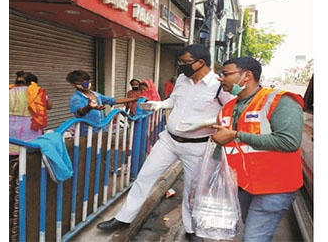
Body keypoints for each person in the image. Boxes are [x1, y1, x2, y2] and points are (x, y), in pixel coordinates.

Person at [96, 45, 234, 242]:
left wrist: (206, 122)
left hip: (197, 146)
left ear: (200, 63)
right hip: (168, 140)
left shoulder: (219, 86)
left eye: (185, 62)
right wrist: (160, 104)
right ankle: (123, 218)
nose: (181, 66)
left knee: (193, 189)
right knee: (144, 176)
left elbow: (231, 114)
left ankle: (192, 229)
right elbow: (174, 100)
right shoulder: (182, 80)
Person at [209, 57, 305, 242]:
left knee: (254, 238)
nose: (221, 79)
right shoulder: (228, 107)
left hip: (276, 186)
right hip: (244, 185)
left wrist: (237, 135)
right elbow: (224, 146)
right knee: (250, 229)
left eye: (226, 74)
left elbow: (289, 142)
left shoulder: (279, 101)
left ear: (247, 76)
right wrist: (211, 179)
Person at [66, 70, 140, 134]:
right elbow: (80, 112)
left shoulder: (96, 94)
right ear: (73, 84)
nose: (85, 83)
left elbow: (113, 100)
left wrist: (135, 99)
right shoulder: (76, 98)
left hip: (102, 130)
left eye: (87, 80)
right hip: (88, 133)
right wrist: (88, 107)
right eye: (81, 81)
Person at [9, 71, 49, 153]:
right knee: (28, 150)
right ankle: (20, 163)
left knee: (11, 147)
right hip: (29, 128)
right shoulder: (37, 92)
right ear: (33, 83)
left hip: (9, 126)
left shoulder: (9, 91)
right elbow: (49, 106)